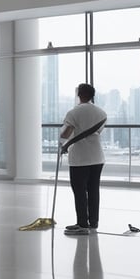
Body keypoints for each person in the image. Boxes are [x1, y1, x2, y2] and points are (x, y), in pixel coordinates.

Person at [60, 83, 107, 235]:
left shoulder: (73, 112)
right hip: (97, 157)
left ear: (79, 94)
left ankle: (82, 225)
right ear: (92, 95)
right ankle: (93, 223)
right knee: (93, 190)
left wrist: (62, 140)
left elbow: (66, 133)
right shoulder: (102, 113)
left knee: (79, 192)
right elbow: (98, 132)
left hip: (80, 158)